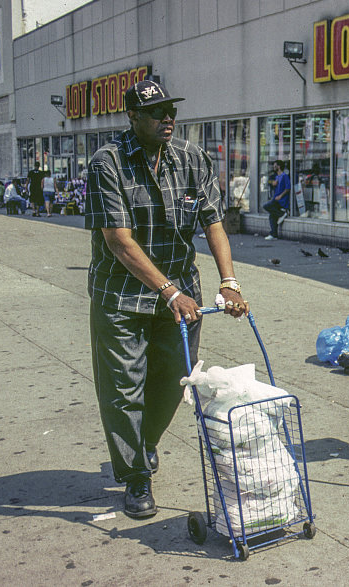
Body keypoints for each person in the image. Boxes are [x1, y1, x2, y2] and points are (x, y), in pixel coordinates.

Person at [85, 79, 250, 519]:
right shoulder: (109, 163)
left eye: (171, 110)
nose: (167, 119)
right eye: (156, 112)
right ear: (133, 117)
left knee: (176, 381)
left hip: (181, 295)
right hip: (121, 296)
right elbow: (119, 241)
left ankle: (145, 442)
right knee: (124, 390)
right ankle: (137, 475)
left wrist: (229, 281)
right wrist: (168, 289)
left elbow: (213, 220)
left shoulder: (191, 158)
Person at [263, 159, 290, 240]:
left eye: (275, 166)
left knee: (266, 206)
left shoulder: (284, 176)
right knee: (272, 215)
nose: (273, 167)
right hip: (276, 198)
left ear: (279, 166)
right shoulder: (276, 176)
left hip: (281, 200)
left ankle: (281, 214)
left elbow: (288, 188)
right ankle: (274, 234)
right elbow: (269, 181)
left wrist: (281, 196)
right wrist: (272, 183)